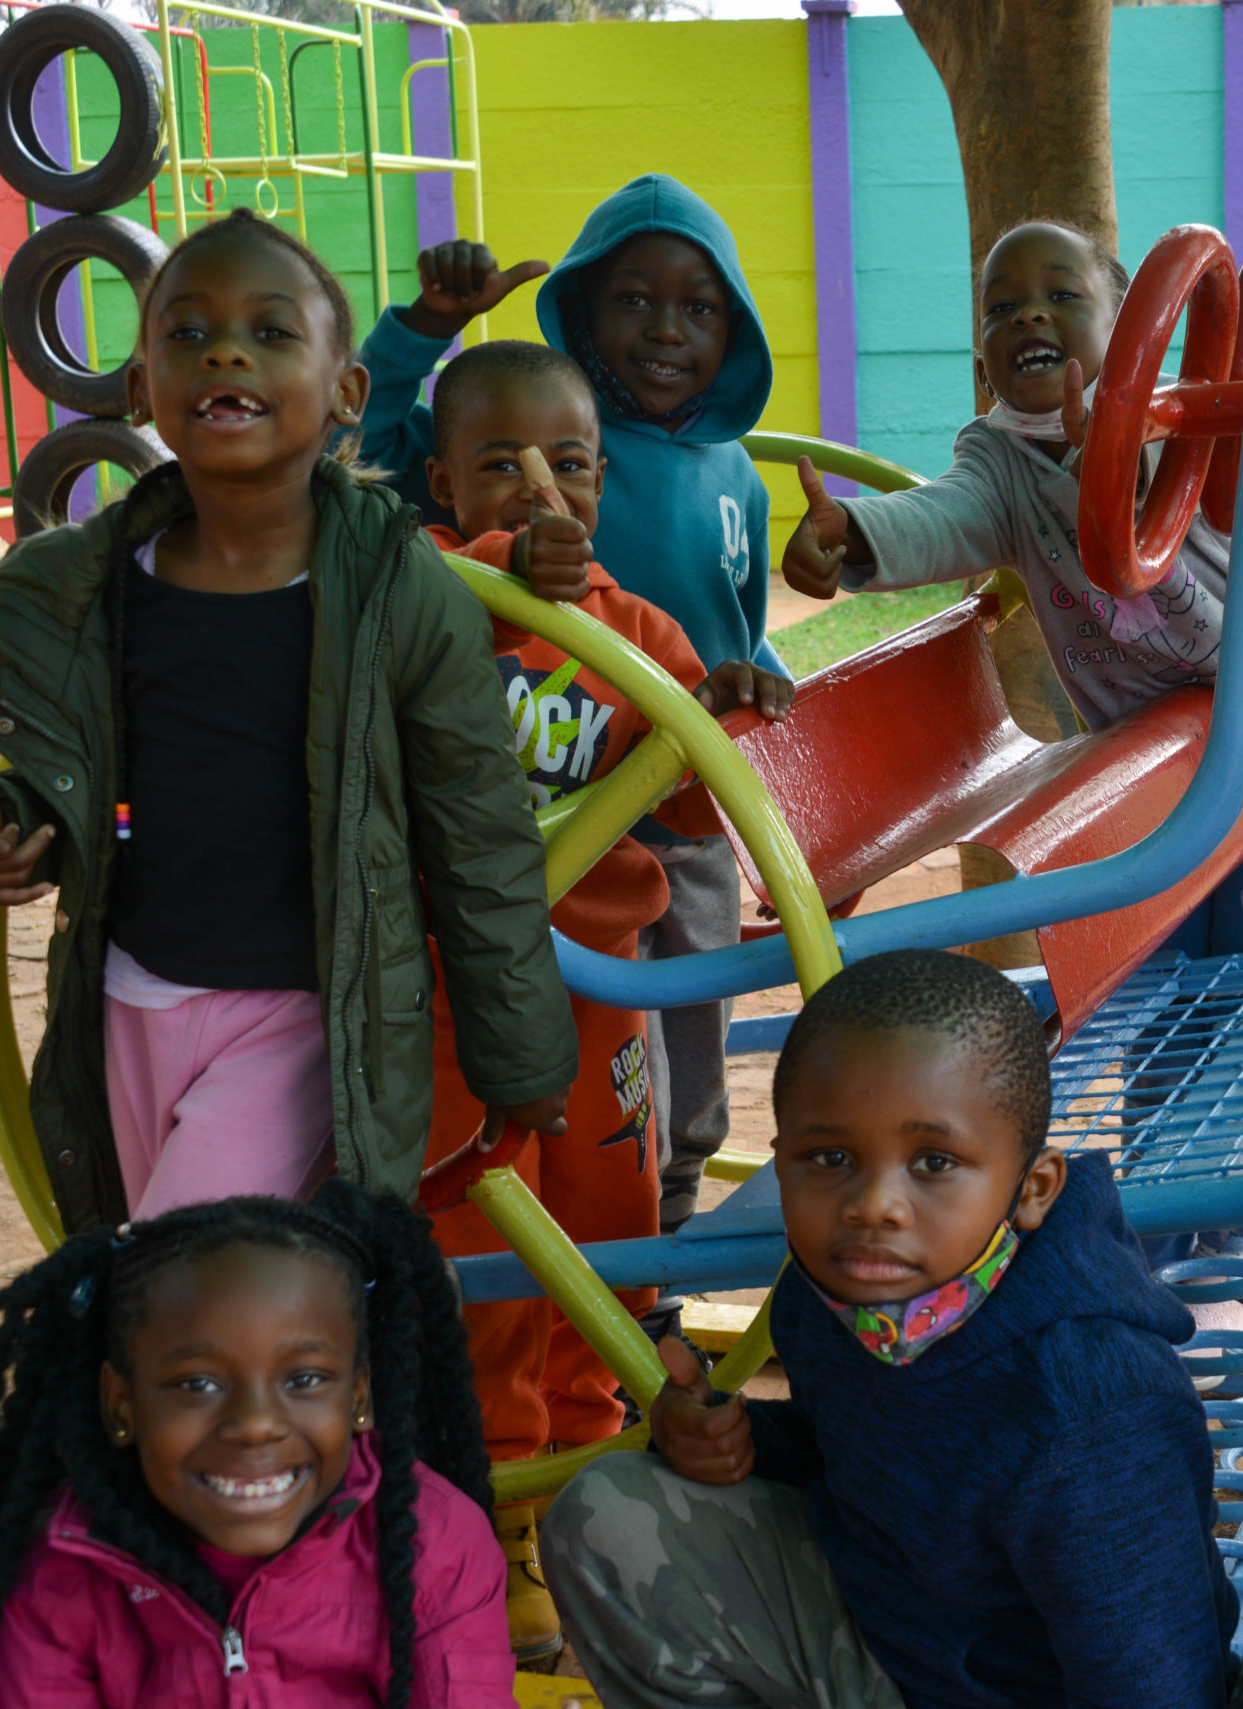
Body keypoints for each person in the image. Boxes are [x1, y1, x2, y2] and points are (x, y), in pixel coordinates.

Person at [0, 209, 575, 1233]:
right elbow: (78, 793)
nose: (225, 351)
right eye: (188, 332)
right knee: (184, 1271)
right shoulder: (84, 589)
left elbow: (480, 839)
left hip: (304, 1023)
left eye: (271, 331)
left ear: (346, 392)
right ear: (141, 388)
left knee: (190, 1266)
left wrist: (520, 1055)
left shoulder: (402, 594)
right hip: (125, 1003)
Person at [778, 219, 1243, 1312]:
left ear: (1126, 317)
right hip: (1156, 780)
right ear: (981, 348)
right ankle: (1165, 1230)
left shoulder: (1170, 418)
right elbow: (945, 515)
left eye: (1060, 295)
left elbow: (1188, 492)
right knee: (1168, 996)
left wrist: (1119, 449)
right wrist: (854, 534)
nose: (1028, 314)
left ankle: (1221, 1221)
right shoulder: (998, 459)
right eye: (1001, 306)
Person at [541, 949, 1237, 1708]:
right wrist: (737, 1439)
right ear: (781, 1162)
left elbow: (1153, 1691)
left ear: (1032, 1189)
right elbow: (863, 1454)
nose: (873, 1205)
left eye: (934, 1161)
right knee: (607, 1514)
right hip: (891, 1633)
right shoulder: (839, 1296)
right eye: (830, 1157)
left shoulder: (1092, 1414)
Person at [414, 335, 794, 1663]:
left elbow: (688, 807)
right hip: (458, 999)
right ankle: (501, 1496)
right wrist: (498, 574)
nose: (540, 492)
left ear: (602, 479)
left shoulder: (637, 633)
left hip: (600, 993)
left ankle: (590, 1463)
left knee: (606, 1224)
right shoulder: (427, 594)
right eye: (499, 467)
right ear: (442, 484)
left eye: (568, 464)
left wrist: (721, 708)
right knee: (485, 1242)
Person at [357, 176, 783, 1283]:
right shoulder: (448, 542)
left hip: (649, 823)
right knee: (496, 1128)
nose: (666, 330)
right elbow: (367, 465)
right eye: (633, 300)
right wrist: (424, 330)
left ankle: (647, 1283)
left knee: (660, 1076)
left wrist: (748, 700)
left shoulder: (730, 478)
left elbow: (730, 642)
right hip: (484, 902)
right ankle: (495, 1338)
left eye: (699, 308)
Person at [0, 1182, 514, 1707]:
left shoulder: (435, 1546)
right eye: (197, 1385)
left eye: (304, 1379)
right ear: (121, 1404)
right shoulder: (61, 1572)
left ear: (359, 1397)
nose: (255, 1424)